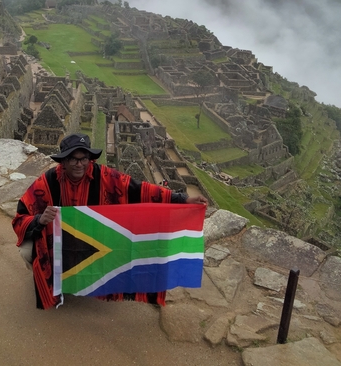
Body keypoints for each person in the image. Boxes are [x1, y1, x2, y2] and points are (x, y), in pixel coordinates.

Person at [12, 133, 208, 310]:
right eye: (73, 159)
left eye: (84, 159)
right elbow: (21, 215)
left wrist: (183, 199)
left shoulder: (106, 177)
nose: (79, 164)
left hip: (95, 241)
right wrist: (39, 219)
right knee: (27, 251)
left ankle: (85, 282)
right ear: (63, 161)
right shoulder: (47, 182)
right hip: (59, 243)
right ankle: (55, 280)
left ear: (90, 159)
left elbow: (142, 191)